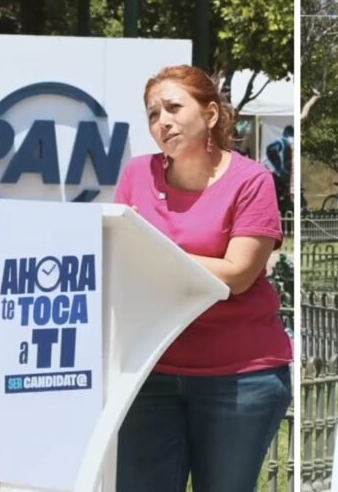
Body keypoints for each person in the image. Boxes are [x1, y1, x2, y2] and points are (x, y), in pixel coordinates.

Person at [114, 65, 293, 492]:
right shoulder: (136, 176)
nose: (163, 121)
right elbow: (119, 258)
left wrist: (147, 249)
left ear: (211, 114)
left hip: (239, 377)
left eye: (174, 107)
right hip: (149, 372)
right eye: (153, 114)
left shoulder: (252, 180)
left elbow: (237, 275)